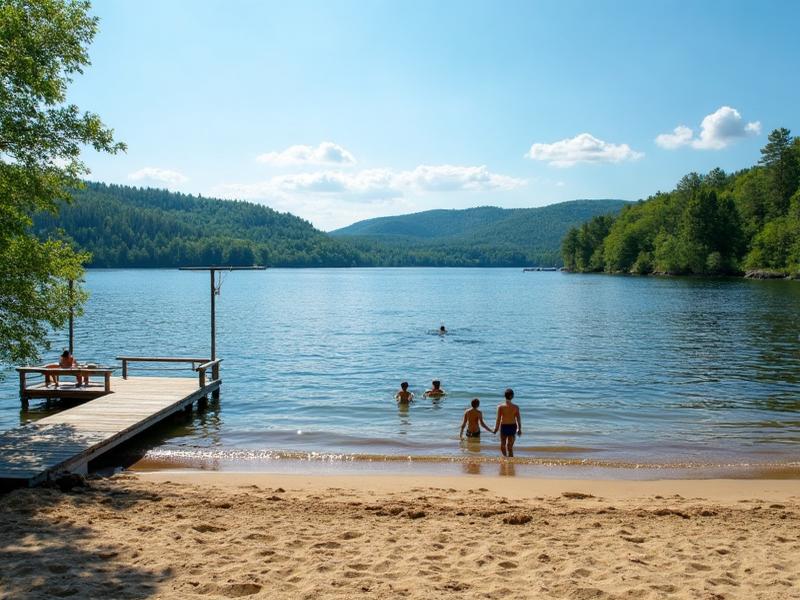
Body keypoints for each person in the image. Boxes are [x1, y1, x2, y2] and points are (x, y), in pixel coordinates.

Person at [493, 388, 522, 457]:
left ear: (505, 396)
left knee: (503, 444)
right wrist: (519, 429)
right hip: (512, 426)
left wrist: (496, 428)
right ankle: (510, 459)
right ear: (512, 396)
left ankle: (505, 458)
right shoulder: (516, 407)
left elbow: (498, 419)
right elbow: (518, 419)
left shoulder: (500, 407)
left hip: (504, 426)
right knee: (510, 446)